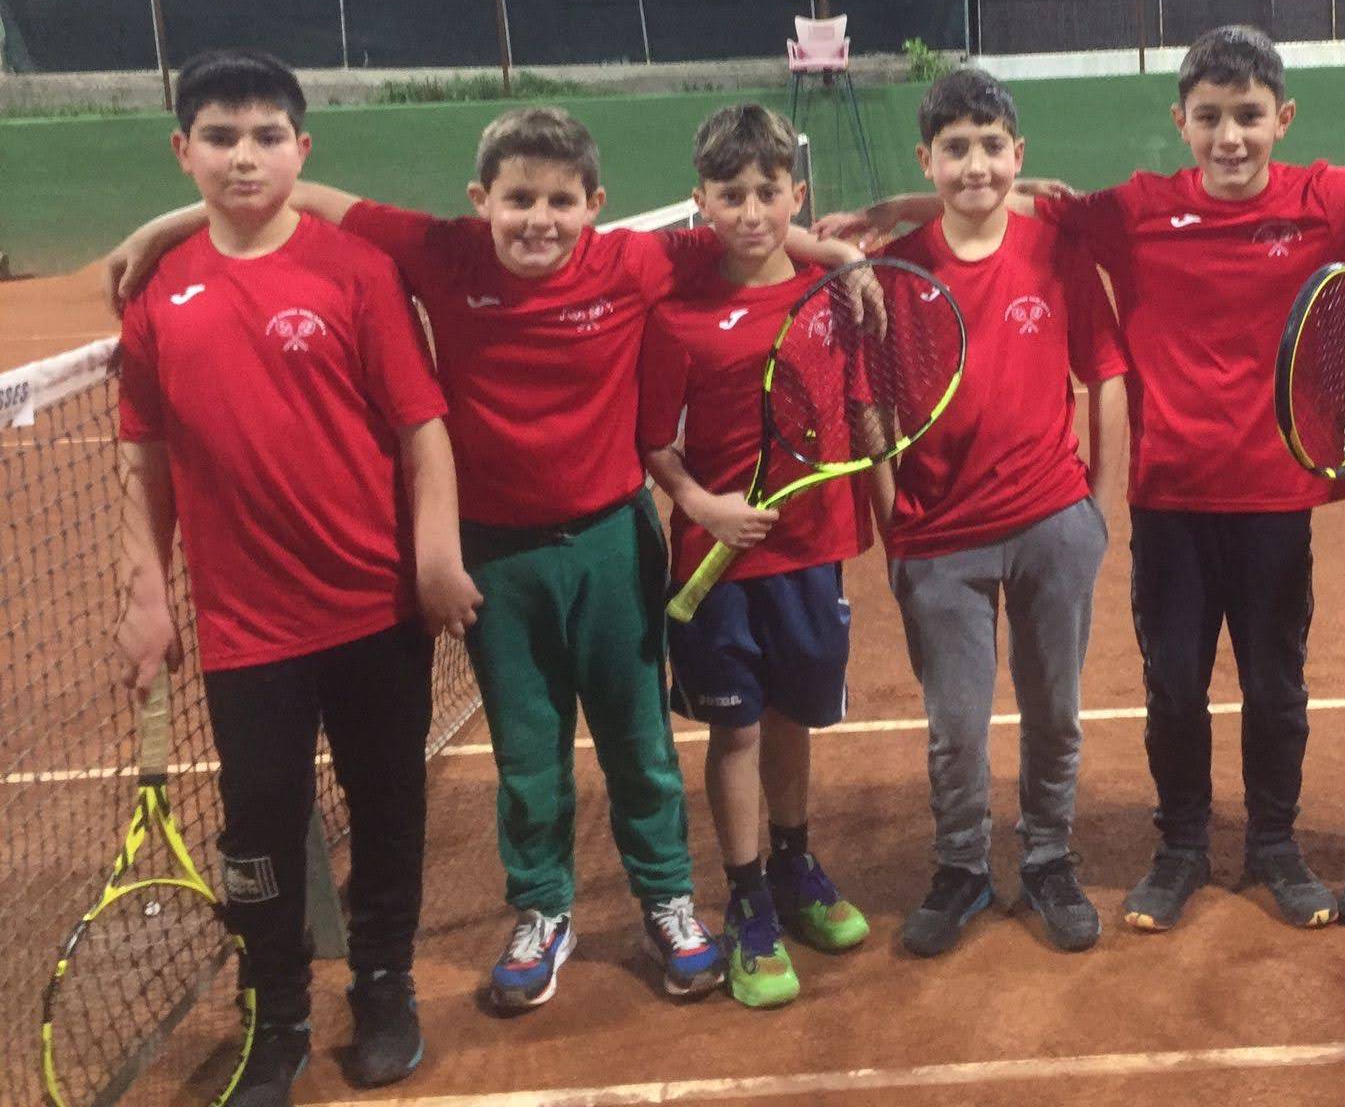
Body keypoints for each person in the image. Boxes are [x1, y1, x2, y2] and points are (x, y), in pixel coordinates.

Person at [824, 24, 1345, 934]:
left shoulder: (1326, 198)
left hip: (1278, 501)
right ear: (1182, 123)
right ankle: (1182, 849)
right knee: (1175, 688)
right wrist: (890, 209)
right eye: (1209, 118)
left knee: (1276, 688)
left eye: (1248, 116)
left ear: (1283, 117)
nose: (1230, 137)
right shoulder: (1136, 208)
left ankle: (1276, 844)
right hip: (1170, 500)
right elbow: (1008, 192)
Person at [103, 104, 863, 1011]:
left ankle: (667, 899)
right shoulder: (441, 253)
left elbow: (751, 235)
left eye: (560, 202)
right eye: (518, 200)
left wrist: (838, 253)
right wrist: (166, 226)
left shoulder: (634, 261)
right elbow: (304, 197)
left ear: (594, 206)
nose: (539, 220)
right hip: (497, 558)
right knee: (528, 754)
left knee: (640, 745)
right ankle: (543, 911)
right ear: (480, 200)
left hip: (613, 544)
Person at [113, 49, 474, 1105]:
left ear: (301, 150)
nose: (245, 156)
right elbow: (145, 461)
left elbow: (421, 428)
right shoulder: (158, 291)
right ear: (182, 152)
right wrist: (147, 596)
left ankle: (384, 981)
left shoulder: (355, 272)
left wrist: (435, 557)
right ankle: (274, 1011)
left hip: (375, 608)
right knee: (258, 829)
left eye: (267, 136)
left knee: (389, 803)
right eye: (220, 137)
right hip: (246, 630)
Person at [870, 68, 1128, 958]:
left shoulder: (1057, 251)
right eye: (955, 149)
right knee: (956, 725)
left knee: (1055, 711)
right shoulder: (892, 268)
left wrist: (1097, 512)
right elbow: (869, 406)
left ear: (1018, 154)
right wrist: (893, 520)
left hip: (1052, 523)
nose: (974, 165)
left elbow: (1107, 374)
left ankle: (1049, 857)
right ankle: (962, 866)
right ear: (927, 160)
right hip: (938, 538)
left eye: (990, 146)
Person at [638, 104, 870, 1009]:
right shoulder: (676, 317)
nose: (750, 211)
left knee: (790, 719)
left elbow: (861, 413)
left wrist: (845, 257)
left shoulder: (832, 297)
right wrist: (706, 508)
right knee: (734, 731)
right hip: (717, 562)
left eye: (768, 192)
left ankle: (793, 863)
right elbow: (656, 445)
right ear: (699, 201)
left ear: (795, 196)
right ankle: (744, 900)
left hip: (811, 555)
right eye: (730, 195)